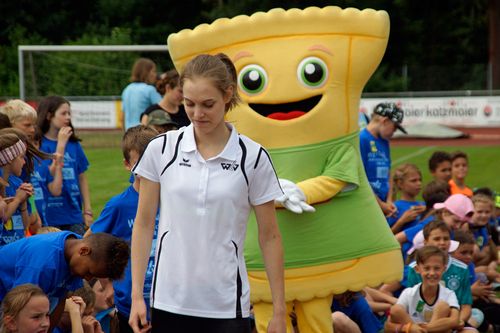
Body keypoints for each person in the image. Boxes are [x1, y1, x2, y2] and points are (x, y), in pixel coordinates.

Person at [129, 53, 286, 333]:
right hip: (168, 300)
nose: (197, 114)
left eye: (207, 104)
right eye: (189, 104)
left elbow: (270, 236)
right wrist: (137, 297)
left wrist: (278, 310)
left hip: (226, 303)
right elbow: (142, 224)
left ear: (228, 95)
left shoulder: (253, 157)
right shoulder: (161, 149)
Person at [85, 125, 158, 333]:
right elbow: (91, 245)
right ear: (127, 164)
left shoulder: (172, 199)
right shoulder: (119, 205)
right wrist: (106, 285)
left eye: (152, 160)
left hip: (168, 303)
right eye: (139, 161)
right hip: (130, 304)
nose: (147, 167)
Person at [0, 231, 129, 331]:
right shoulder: (43, 264)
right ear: (83, 251)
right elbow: (19, 310)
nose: (87, 278)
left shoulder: (77, 251)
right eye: (89, 272)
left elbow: (60, 299)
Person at [37, 96, 92, 235]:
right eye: (63, 113)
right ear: (49, 115)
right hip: (49, 214)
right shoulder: (38, 144)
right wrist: (60, 146)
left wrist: (87, 210)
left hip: (73, 213)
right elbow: (47, 176)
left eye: (69, 113)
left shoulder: (73, 144)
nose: (68, 117)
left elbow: (81, 177)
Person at [407, 221, 475, 329]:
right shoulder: (414, 268)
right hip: (422, 320)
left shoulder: (462, 269)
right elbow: (411, 303)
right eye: (437, 239)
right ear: (426, 242)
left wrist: (459, 321)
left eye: (446, 239)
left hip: (452, 320)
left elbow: (466, 305)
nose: (442, 243)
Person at [385, 246, 463, 333]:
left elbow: (455, 320)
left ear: (444, 269)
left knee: (443, 307)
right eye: (426, 268)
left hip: (434, 330)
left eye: (437, 268)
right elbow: (388, 326)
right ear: (417, 269)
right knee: (396, 309)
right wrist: (410, 328)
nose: (432, 273)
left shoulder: (449, 294)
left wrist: (423, 329)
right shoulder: (409, 293)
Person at [0, 128, 49, 243]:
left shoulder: (17, 183)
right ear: (9, 159)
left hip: (18, 243)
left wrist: (23, 203)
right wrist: (18, 199)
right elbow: (3, 217)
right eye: (21, 157)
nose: (24, 161)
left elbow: (25, 224)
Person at [359, 102, 407, 216]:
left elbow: (388, 173)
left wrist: (389, 201)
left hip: (382, 203)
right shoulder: (362, 139)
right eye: (394, 127)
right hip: (367, 204)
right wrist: (381, 205)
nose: (394, 132)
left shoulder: (384, 142)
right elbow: (360, 177)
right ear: (385, 121)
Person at [121, 58, 162, 130]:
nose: (155, 75)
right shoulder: (149, 90)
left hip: (129, 132)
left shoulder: (127, 89)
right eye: (154, 71)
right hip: (144, 133)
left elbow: (122, 117)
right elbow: (164, 108)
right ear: (146, 72)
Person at [387, 163, 425, 234]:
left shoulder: (423, 205)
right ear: (400, 184)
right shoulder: (394, 208)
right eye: (413, 181)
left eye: (420, 180)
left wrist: (428, 210)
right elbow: (387, 236)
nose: (419, 183)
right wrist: (401, 221)